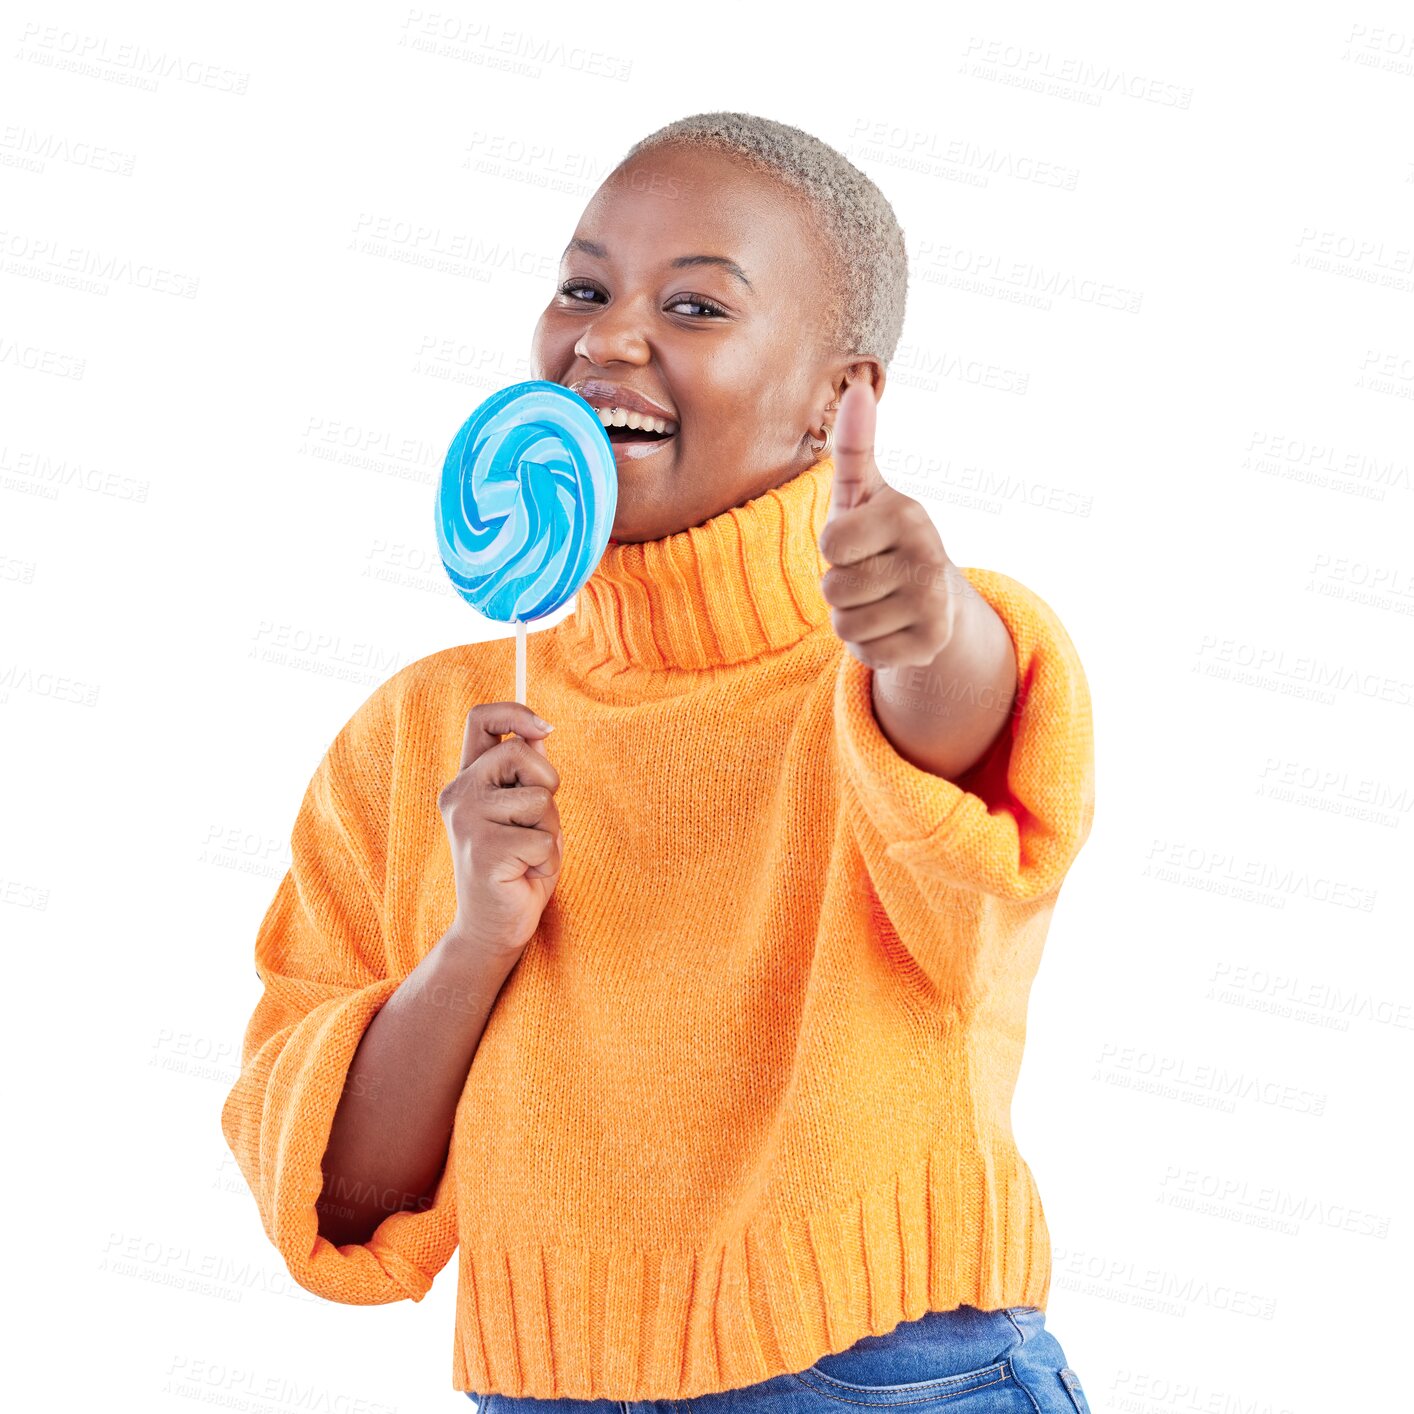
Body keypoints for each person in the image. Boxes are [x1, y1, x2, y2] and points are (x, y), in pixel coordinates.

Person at [220, 111, 1096, 1414]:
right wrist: (475, 942)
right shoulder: (431, 730)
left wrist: (930, 618)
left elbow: (956, 730)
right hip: (549, 1386)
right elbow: (342, 1191)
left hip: (885, 1374)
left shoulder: (883, 664)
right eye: (583, 287)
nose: (607, 337)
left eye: (693, 306)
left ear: (837, 398)